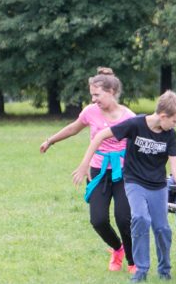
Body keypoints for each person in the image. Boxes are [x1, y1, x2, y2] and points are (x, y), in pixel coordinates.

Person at [73, 91, 176, 283]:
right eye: (175, 121)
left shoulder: (170, 135)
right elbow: (101, 135)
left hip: (158, 186)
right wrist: (85, 164)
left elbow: (175, 168)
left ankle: (164, 270)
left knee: (162, 229)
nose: (175, 125)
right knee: (140, 218)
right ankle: (140, 269)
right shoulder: (135, 124)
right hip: (135, 182)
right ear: (163, 116)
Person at [40, 68, 136, 273]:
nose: (93, 100)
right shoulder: (90, 112)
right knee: (98, 220)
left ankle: (132, 261)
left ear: (111, 91)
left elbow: (140, 143)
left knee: (124, 219)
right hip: (98, 170)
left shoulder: (129, 116)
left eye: (97, 95)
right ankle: (117, 248)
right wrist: (51, 141)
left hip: (123, 172)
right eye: (91, 95)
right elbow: (73, 128)